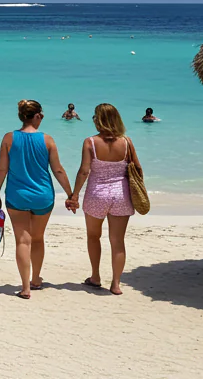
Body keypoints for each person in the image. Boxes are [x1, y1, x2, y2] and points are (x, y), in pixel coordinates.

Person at [0, 99, 75, 300]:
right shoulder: (48, 140)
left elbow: (2, 168)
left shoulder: (9, 139)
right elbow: (58, 170)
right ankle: (36, 279)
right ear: (37, 116)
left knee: (22, 240)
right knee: (37, 238)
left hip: (17, 195)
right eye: (42, 115)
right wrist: (71, 195)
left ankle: (25, 287)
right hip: (42, 197)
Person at [69, 103, 142, 296]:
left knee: (94, 236)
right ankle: (116, 284)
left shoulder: (90, 142)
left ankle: (95, 277)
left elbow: (84, 171)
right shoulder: (126, 142)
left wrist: (74, 195)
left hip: (96, 195)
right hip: (121, 195)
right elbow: (138, 168)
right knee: (117, 240)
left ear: (98, 119)